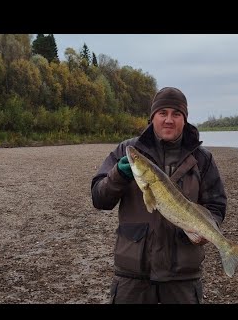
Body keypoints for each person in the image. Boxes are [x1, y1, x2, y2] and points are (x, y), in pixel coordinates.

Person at [91, 87, 227, 304]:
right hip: (132, 273)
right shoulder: (126, 150)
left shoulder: (203, 159)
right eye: (162, 113)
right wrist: (118, 175)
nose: (169, 120)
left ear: (185, 119)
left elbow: (216, 205)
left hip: (183, 275)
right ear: (152, 117)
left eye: (176, 114)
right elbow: (99, 199)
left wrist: (206, 229)